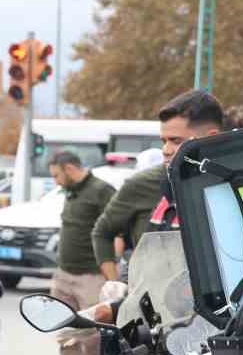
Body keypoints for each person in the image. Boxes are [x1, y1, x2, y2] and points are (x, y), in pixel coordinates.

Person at [90, 89, 225, 279]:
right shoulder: (142, 184)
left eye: (176, 141)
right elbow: (102, 232)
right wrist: (116, 286)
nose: (166, 150)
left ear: (211, 137)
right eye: (164, 141)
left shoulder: (234, 182)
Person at [46, 151, 118, 355]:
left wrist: (111, 276)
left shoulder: (101, 190)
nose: (55, 181)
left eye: (56, 175)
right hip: (63, 274)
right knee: (65, 333)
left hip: (90, 276)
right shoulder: (71, 190)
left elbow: (115, 231)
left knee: (91, 338)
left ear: (69, 168)